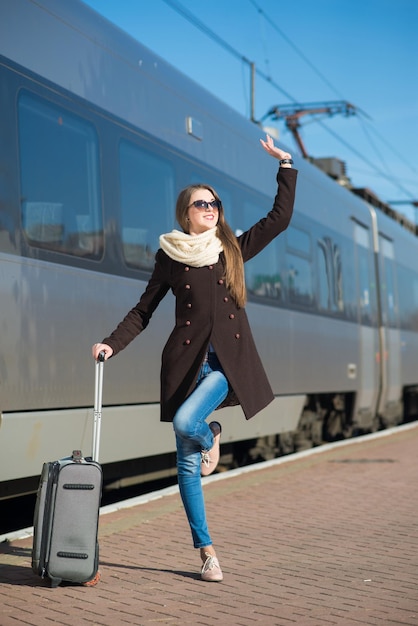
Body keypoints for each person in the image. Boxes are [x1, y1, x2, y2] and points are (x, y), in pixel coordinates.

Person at [92, 134, 297, 582]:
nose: (211, 208)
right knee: (185, 466)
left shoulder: (233, 248)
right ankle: (207, 552)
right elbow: (143, 310)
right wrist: (111, 342)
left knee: (189, 425)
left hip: (226, 365)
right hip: (187, 364)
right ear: (185, 212)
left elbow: (279, 219)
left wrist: (284, 164)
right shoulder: (170, 256)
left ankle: (212, 431)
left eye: (216, 204)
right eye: (202, 204)